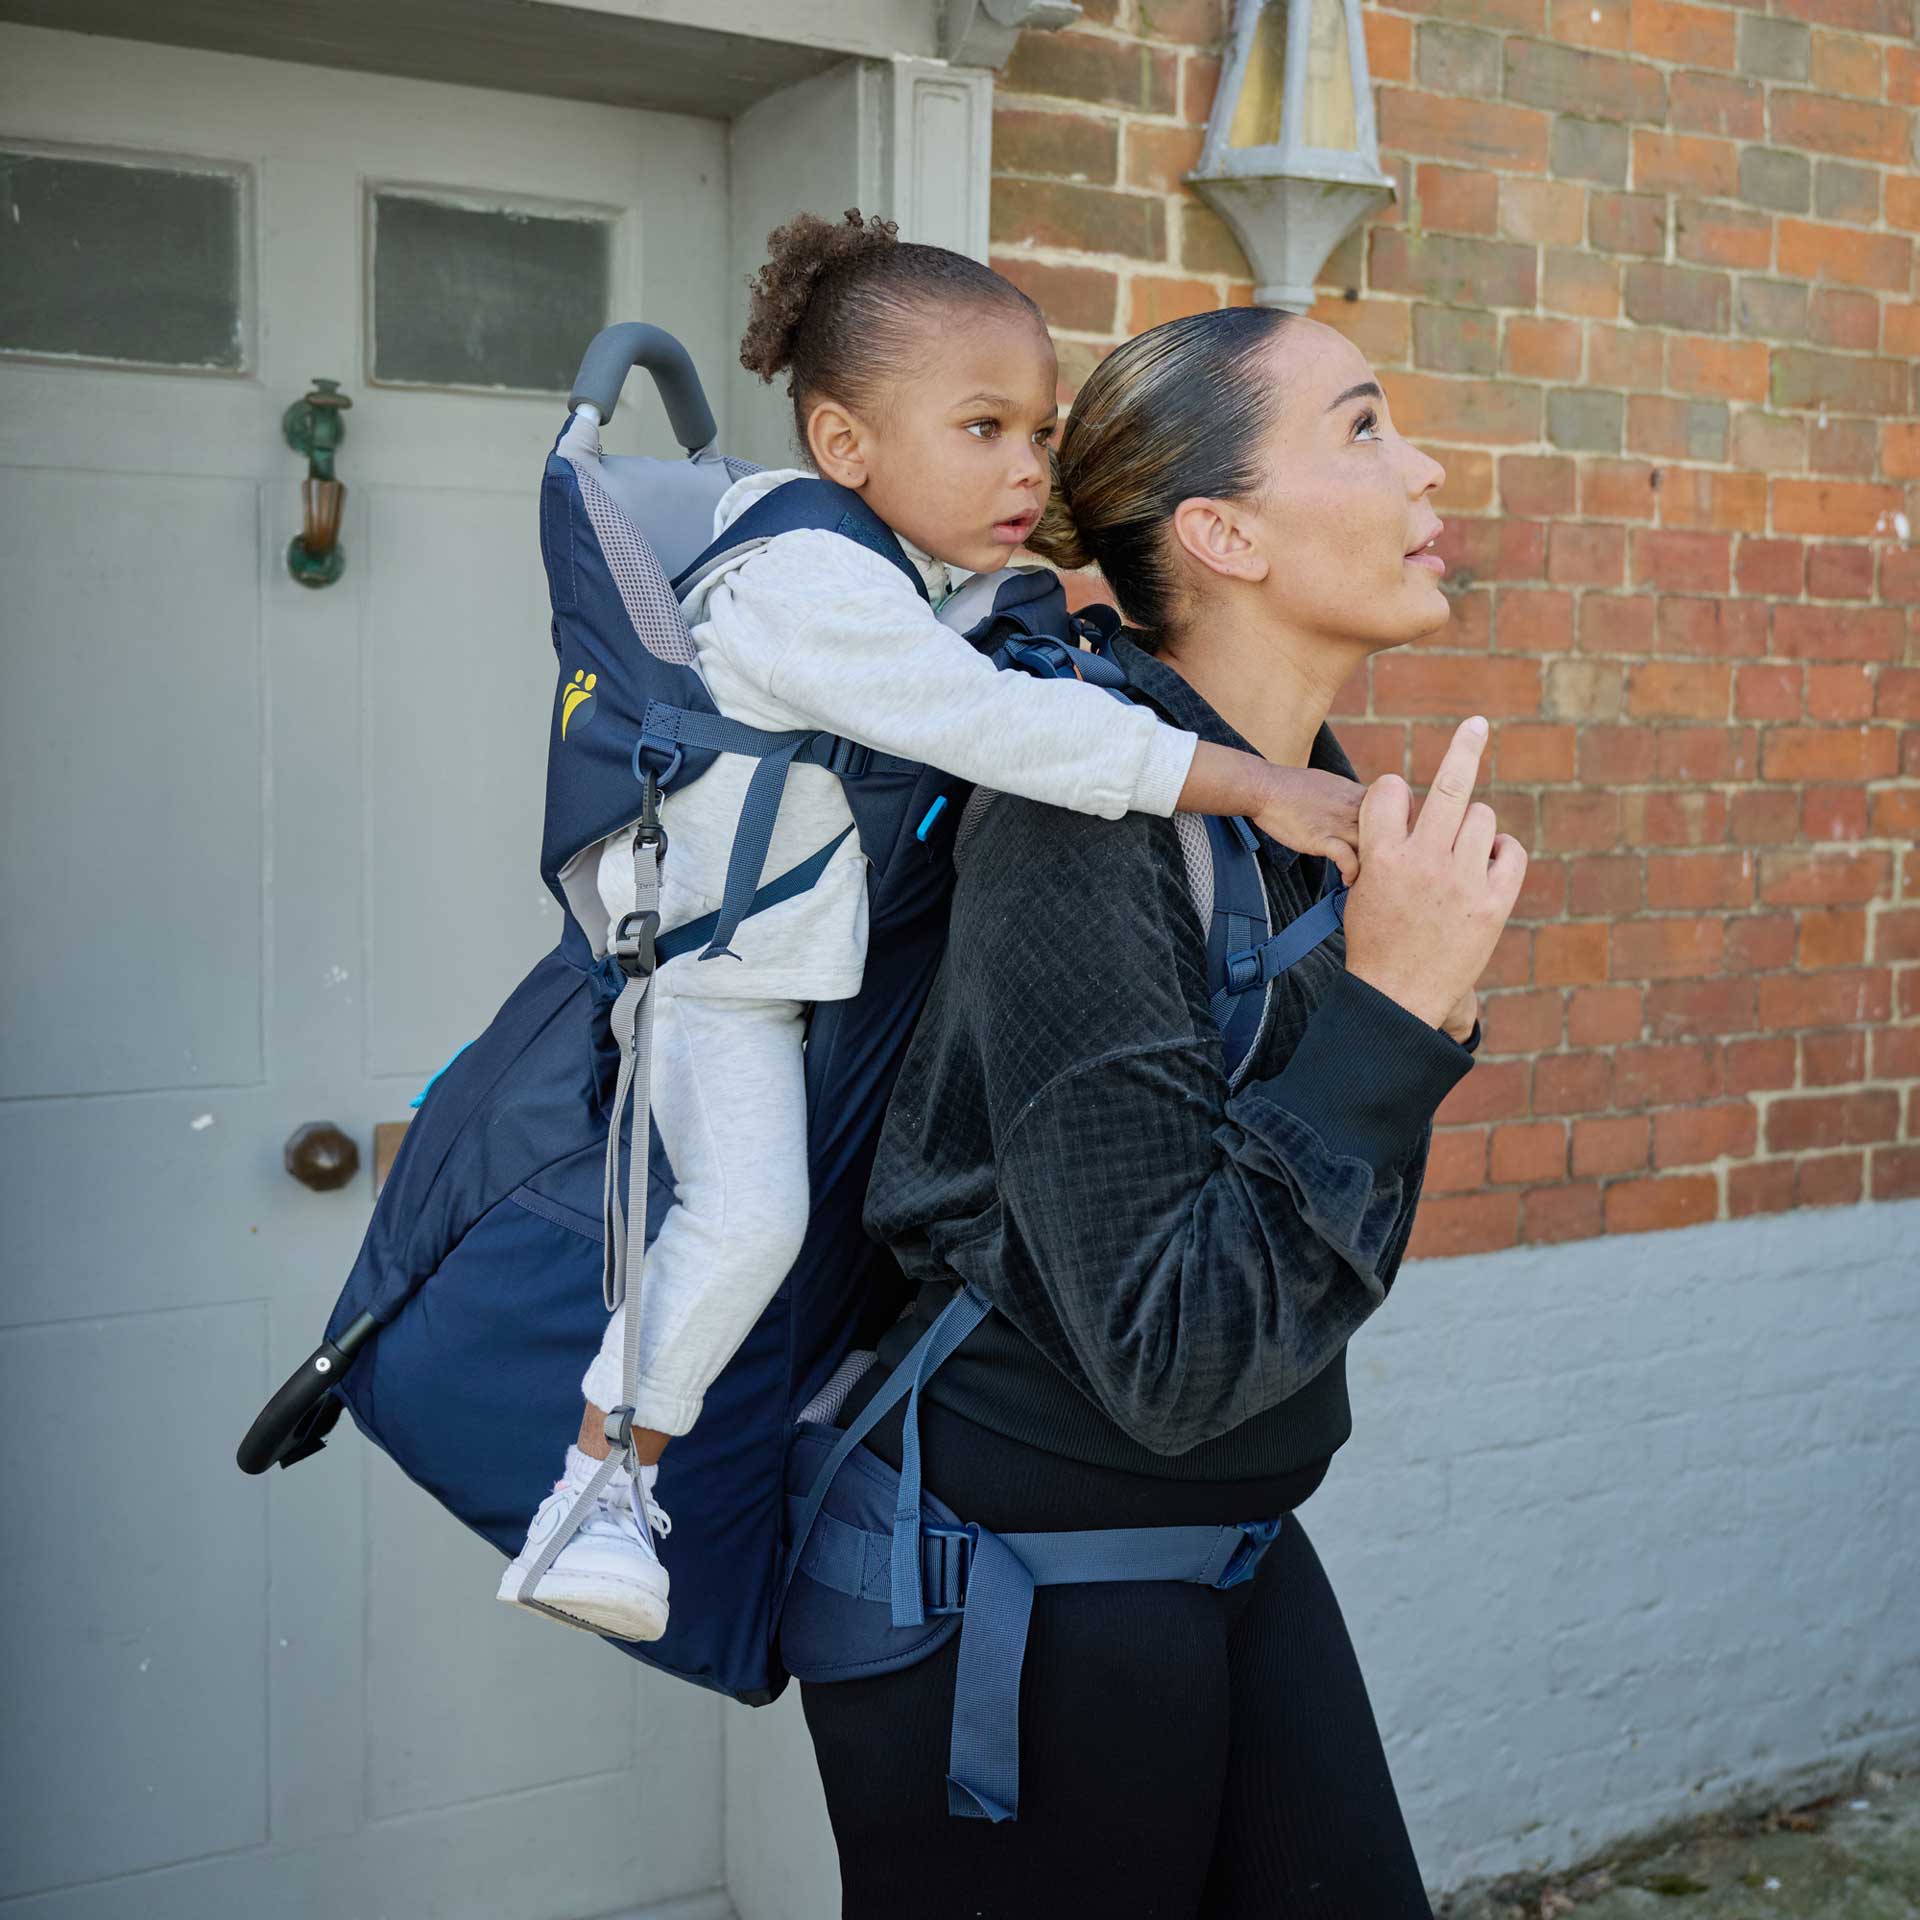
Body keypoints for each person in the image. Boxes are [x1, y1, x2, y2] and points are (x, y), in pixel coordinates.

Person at [497, 213, 1373, 1641]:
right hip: (718, 984)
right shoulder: (807, 585)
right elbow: (993, 725)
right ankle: (598, 1491)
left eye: (1040, 430)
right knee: (751, 1216)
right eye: (981, 429)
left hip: (790, 967)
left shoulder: (891, 574)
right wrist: (1245, 781)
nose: (1026, 467)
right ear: (846, 447)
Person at [797, 306, 1527, 1917]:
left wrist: (1408, 1015)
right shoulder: (1076, 830)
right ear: (1221, 532)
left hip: (1233, 1541)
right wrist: (1398, 1017)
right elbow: (1174, 1348)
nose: (1426, 466)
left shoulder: (1301, 815)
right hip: (1010, 1591)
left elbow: (1290, 1277)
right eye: (1362, 427)